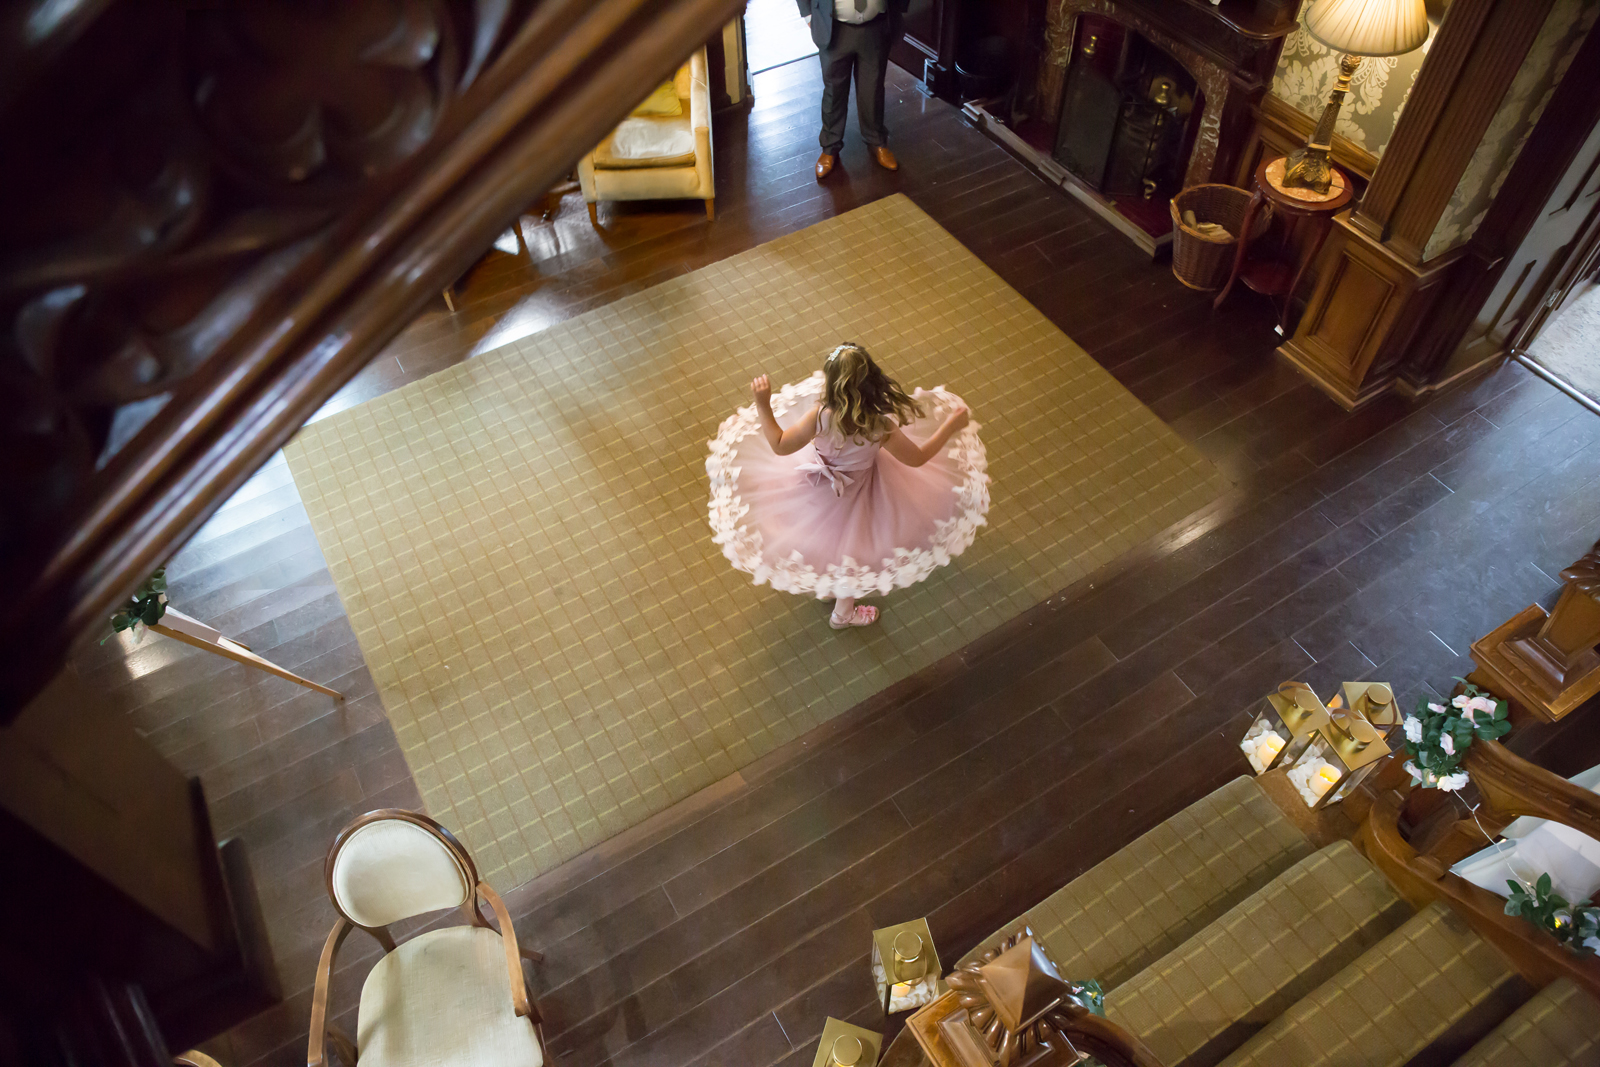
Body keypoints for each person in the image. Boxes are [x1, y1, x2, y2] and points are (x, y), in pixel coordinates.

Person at [705, 343, 990, 629]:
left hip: (816, 488)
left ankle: (830, 589)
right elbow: (917, 459)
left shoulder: (820, 416)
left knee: (824, 537)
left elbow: (779, 445)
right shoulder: (880, 426)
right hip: (860, 495)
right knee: (853, 550)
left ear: (830, 384)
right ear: (872, 384)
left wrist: (763, 404)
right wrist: (950, 426)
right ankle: (843, 615)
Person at [796, 0, 911, 180]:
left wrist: (900, 8)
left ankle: (877, 141)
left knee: (873, 88)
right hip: (834, 27)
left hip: (878, 24)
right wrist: (808, 15)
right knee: (834, 90)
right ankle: (830, 146)